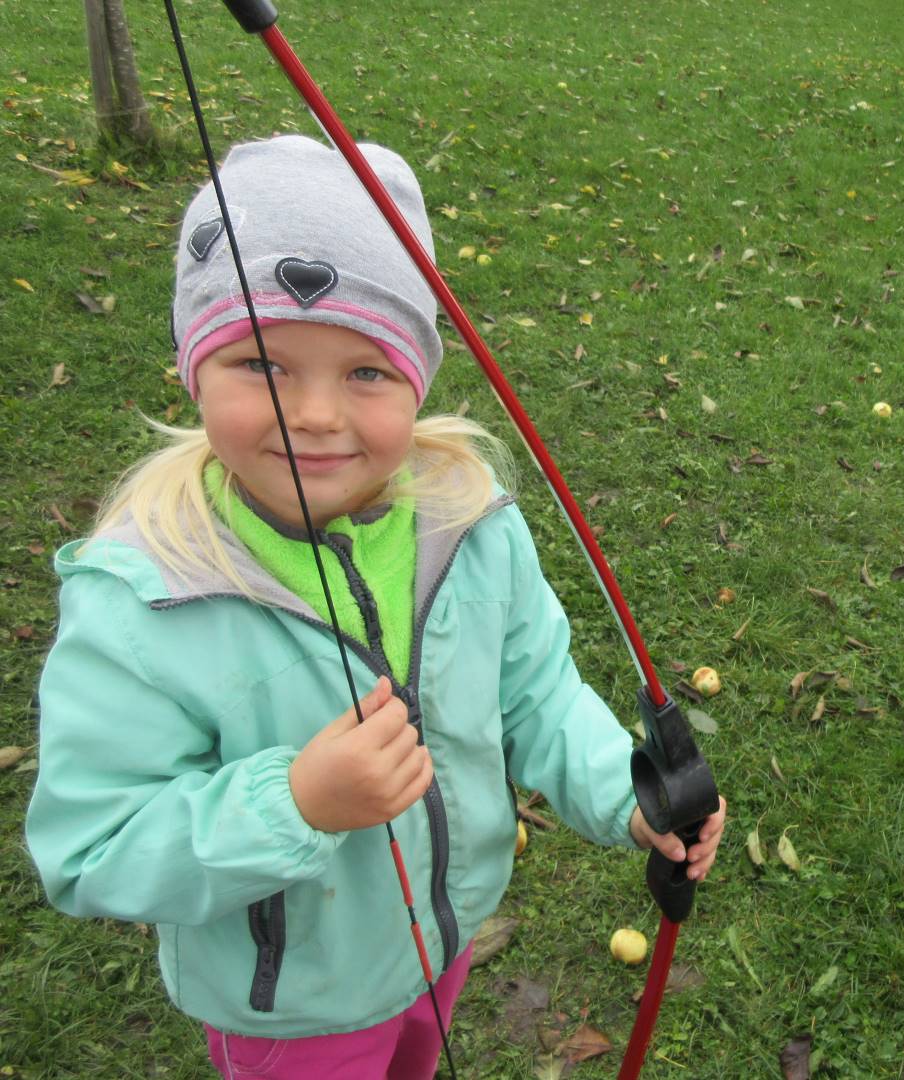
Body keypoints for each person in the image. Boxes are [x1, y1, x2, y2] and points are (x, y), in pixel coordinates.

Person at [25, 134, 726, 1080]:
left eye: (366, 372)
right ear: (194, 369)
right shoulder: (144, 595)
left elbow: (537, 695)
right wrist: (295, 804)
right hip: (292, 1010)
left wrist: (627, 796)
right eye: (262, 364)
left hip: (442, 946)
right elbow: (91, 846)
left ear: (417, 379)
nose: (315, 414)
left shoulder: (470, 524)